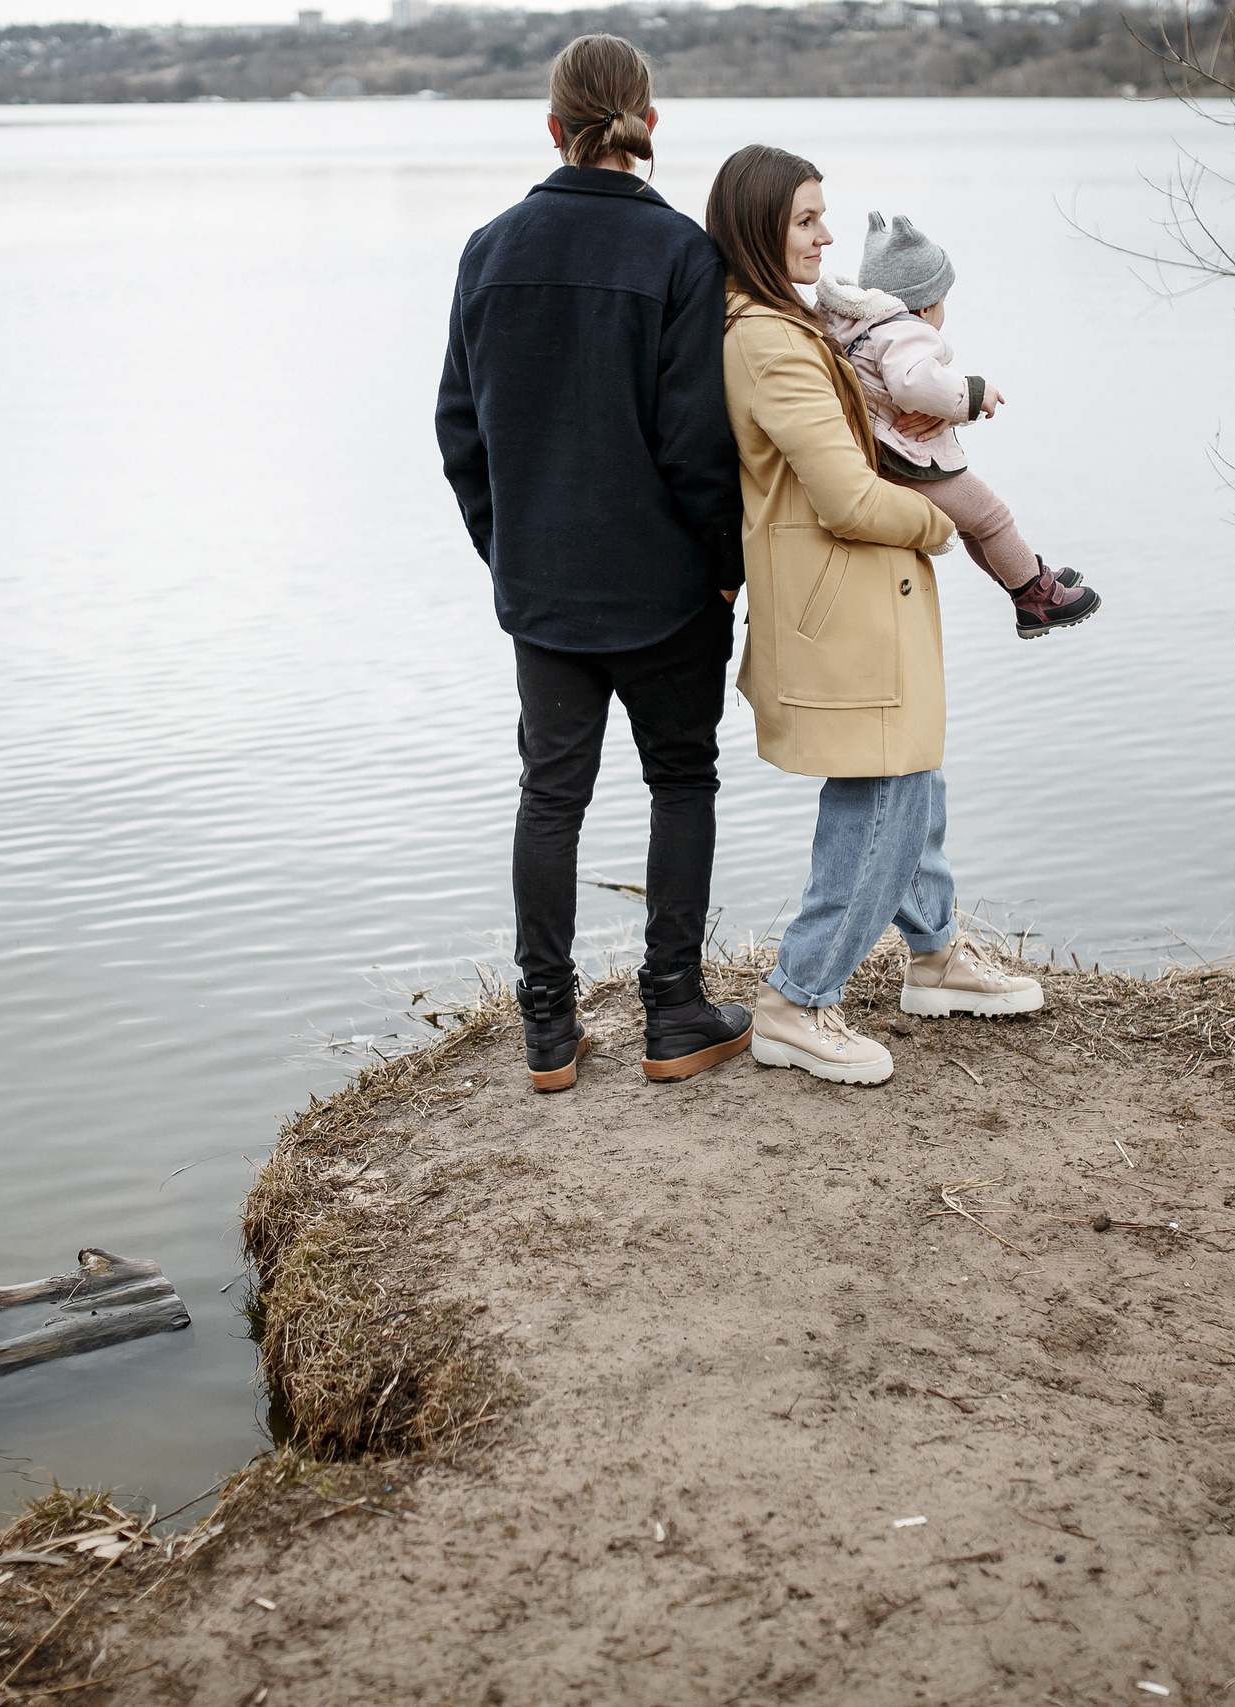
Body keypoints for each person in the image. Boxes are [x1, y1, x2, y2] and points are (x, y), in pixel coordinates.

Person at [435, 34, 754, 1094]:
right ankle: (673, 1012)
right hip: (668, 587)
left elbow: (459, 431)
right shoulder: (680, 252)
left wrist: (507, 550)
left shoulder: (489, 249)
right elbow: (696, 443)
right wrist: (726, 565)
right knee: (683, 779)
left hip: (545, 589)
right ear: (648, 124)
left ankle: (547, 1031)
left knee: (550, 797)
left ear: (552, 127)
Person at [704, 144, 1045, 1088]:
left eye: (825, 216)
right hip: (840, 599)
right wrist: (945, 524)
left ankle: (934, 957)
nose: (825, 238)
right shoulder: (770, 341)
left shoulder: (791, 321)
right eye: (805, 220)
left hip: (856, 598)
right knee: (881, 795)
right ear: (759, 227)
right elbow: (849, 497)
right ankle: (797, 998)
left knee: (912, 775)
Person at [813, 214, 1101, 638]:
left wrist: (945, 409)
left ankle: (1023, 577)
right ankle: (1035, 598)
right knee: (993, 517)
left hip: (886, 454)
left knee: (975, 526)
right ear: (925, 305)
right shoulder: (904, 330)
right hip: (908, 462)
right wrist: (973, 393)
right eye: (943, 300)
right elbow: (914, 383)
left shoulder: (860, 329)